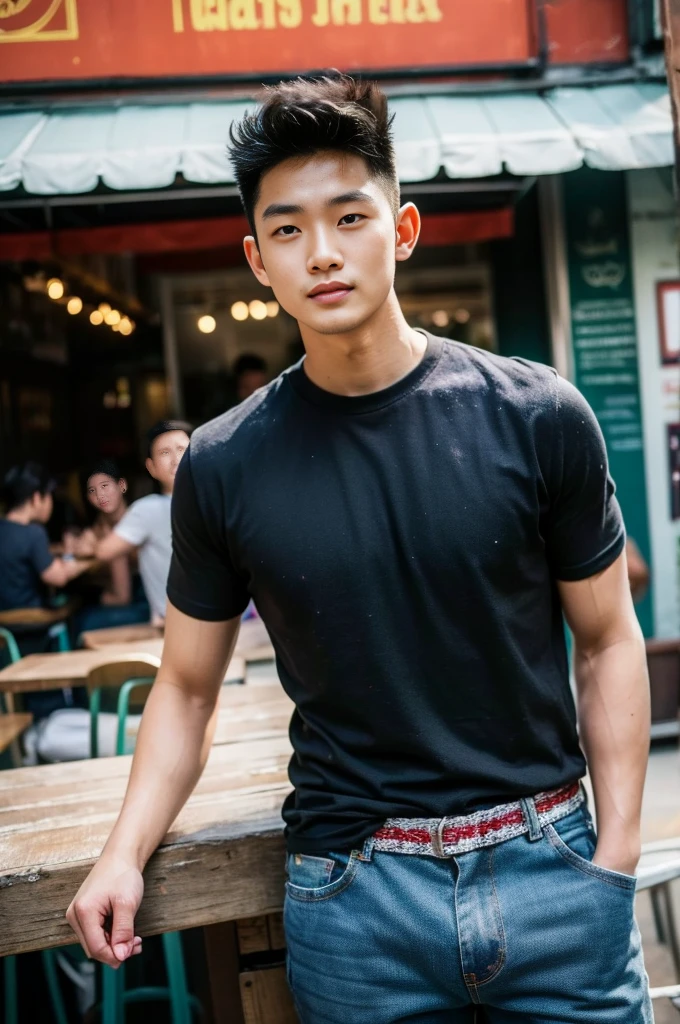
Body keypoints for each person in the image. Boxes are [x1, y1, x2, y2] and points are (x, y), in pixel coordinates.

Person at [67, 76, 652, 1022]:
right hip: (357, 901)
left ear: (404, 229)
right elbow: (186, 687)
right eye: (290, 230)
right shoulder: (222, 464)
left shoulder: (536, 415)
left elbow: (609, 640)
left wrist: (613, 854)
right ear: (257, 259)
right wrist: (122, 850)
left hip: (555, 872)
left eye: (350, 216)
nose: (324, 253)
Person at [76, 422, 190, 626]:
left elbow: (105, 555)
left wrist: (87, 547)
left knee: (85, 619)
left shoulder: (144, 511)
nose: (176, 460)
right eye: (165, 453)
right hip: (218, 613)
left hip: (170, 616)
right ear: (151, 467)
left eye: (182, 449)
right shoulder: (218, 500)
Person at [0, 462, 92, 615]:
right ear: (36, 498)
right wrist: (72, 554)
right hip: (31, 623)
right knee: (78, 604)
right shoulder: (33, 533)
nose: (51, 502)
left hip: (4, 626)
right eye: (49, 495)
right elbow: (59, 578)